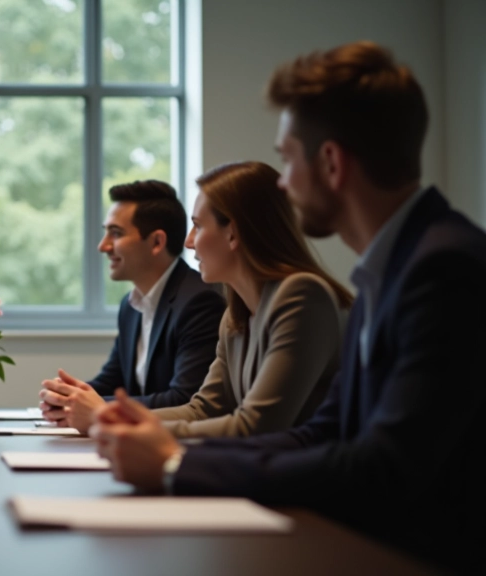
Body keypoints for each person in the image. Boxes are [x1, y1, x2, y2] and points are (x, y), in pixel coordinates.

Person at [90, 42, 485, 573]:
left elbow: (382, 468)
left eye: (286, 159)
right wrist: (169, 454)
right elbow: (322, 432)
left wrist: (174, 466)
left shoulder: (443, 268)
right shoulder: (389, 268)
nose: (281, 183)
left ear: (330, 163)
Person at [145, 161, 351, 438]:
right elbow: (204, 410)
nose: (189, 242)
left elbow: (257, 425)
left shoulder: (302, 295)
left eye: (197, 227)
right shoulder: (235, 315)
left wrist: (141, 429)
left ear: (233, 233)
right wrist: (118, 418)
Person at [38, 180, 225, 433]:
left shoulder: (199, 301)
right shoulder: (130, 306)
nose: (103, 246)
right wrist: (66, 399)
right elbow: (112, 382)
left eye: (115, 233)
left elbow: (185, 398)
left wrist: (94, 407)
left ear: (157, 242)